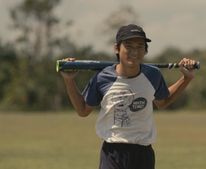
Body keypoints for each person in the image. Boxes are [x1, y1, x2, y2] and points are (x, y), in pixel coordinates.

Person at [60, 24, 196, 169]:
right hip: (113, 152)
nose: (134, 52)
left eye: (139, 46)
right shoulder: (103, 77)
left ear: (145, 50)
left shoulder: (153, 75)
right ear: (117, 48)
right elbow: (82, 110)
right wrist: (69, 80)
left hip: (143, 153)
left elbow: (162, 102)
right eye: (129, 46)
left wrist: (186, 79)